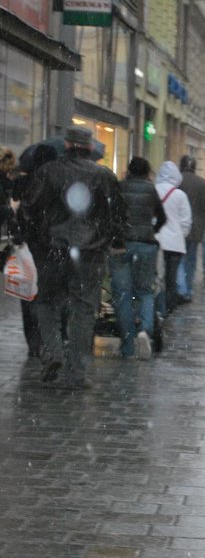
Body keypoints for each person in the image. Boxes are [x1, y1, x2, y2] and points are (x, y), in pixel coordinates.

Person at [21, 127, 128, 388]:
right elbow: (118, 216)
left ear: (66, 145)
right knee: (83, 309)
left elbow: (29, 209)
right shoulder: (104, 176)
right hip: (90, 254)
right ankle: (76, 373)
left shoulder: (48, 172)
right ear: (90, 148)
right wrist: (111, 240)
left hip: (52, 250)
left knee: (45, 303)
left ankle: (53, 352)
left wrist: (32, 238)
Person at [110, 157, 166, 359]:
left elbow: (112, 214)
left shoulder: (120, 187)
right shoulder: (151, 189)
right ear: (147, 171)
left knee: (123, 295)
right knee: (145, 292)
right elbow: (162, 217)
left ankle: (128, 345)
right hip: (146, 245)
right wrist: (151, 231)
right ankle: (145, 330)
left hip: (121, 246)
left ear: (129, 170)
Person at [11, 143, 59, 358]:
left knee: (26, 292)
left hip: (26, 244)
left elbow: (16, 211)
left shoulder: (23, 181)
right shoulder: (58, 181)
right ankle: (47, 336)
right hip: (50, 244)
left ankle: (33, 341)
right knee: (47, 292)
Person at [155, 161, 192, 316]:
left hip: (156, 240)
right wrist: (179, 235)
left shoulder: (153, 190)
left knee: (157, 278)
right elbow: (186, 221)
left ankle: (157, 308)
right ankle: (168, 309)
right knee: (171, 279)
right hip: (175, 244)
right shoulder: (180, 195)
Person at [176, 156, 205, 303]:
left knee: (178, 260)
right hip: (196, 227)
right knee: (191, 261)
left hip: (178, 227)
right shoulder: (202, 183)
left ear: (181, 165)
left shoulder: (177, 181)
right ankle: (188, 290)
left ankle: (180, 289)